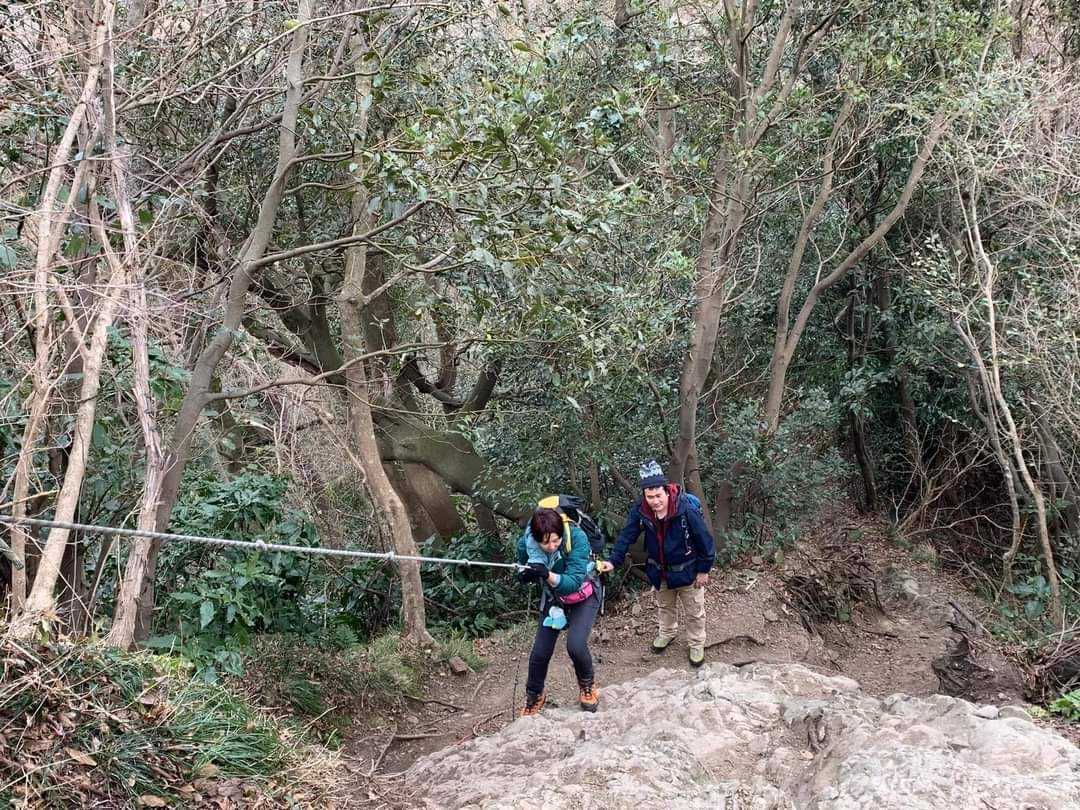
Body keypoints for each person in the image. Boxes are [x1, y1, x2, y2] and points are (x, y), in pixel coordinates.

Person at [598, 460, 715, 667]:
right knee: (664, 607)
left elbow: (704, 540)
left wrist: (704, 570)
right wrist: (614, 560)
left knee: (694, 611)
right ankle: (667, 633)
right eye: (650, 497)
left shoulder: (685, 509)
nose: (655, 501)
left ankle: (696, 643)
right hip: (660, 571)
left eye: (658, 496)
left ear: (666, 491)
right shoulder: (641, 510)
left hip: (688, 570)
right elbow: (627, 535)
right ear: (644, 494)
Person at [516, 506, 601, 716]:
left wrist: (546, 574)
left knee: (576, 645)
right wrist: (525, 574)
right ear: (535, 539)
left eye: (556, 540)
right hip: (554, 598)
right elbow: (522, 567)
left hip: (584, 594)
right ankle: (534, 695)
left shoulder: (577, 537)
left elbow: (572, 582)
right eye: (545, 543)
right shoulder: (526, 543)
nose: (552, 546)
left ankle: (587, 684)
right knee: (540, 652)